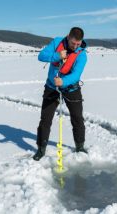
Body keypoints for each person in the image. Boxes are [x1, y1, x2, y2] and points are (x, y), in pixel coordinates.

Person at [33, 27, 88, 161]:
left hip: (71, 89)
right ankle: (41, 148)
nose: (75, 46)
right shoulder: (57, 42)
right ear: (68, 37)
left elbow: (76, 75)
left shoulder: (82, 54)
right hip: (52, 87)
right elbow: (41, 56)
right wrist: (57, 56)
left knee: (77, 119)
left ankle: (80, 146)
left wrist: (63, 81)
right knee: (45, 119)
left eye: (78, 44)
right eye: (73, 43)